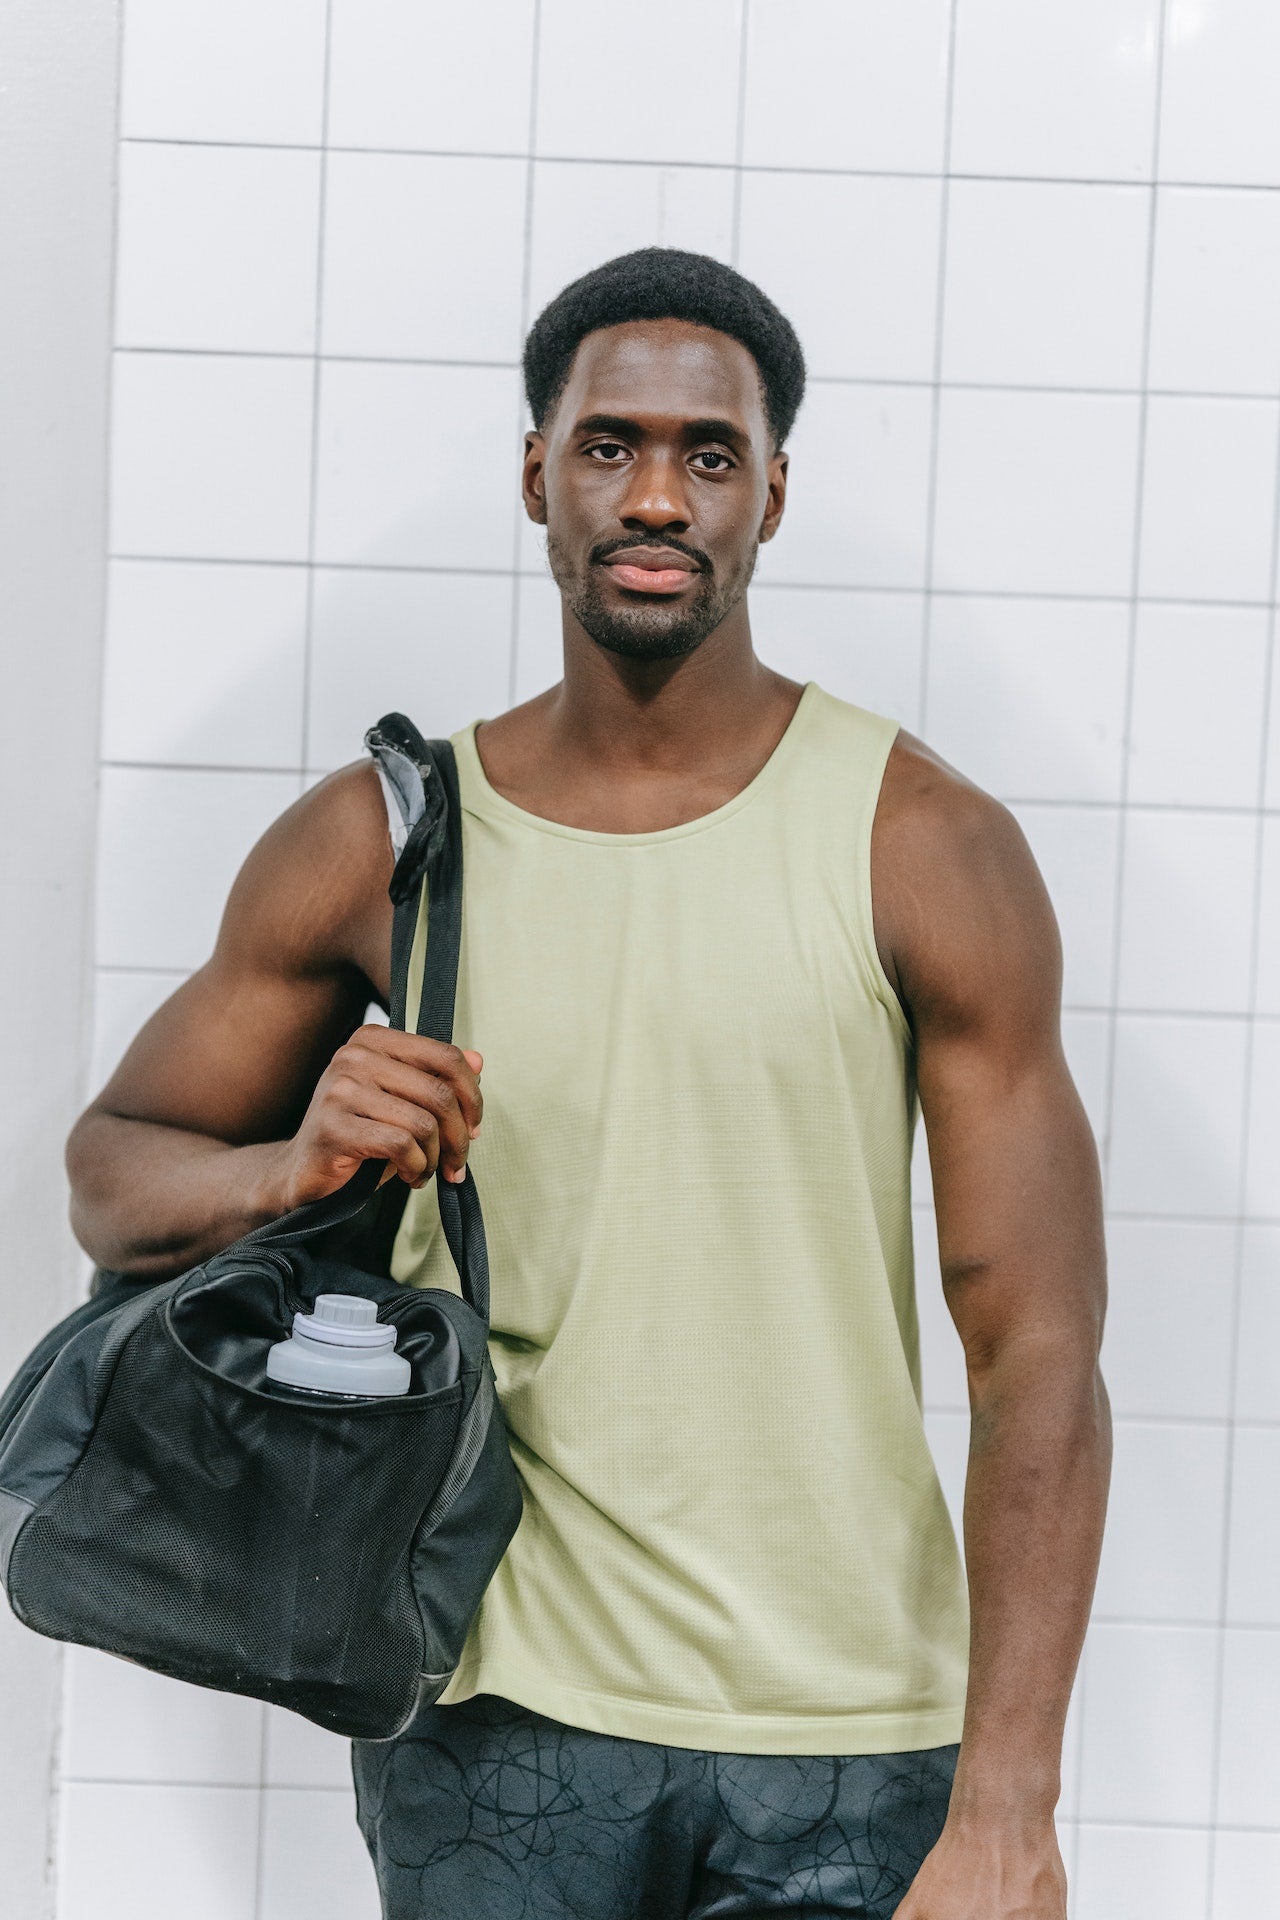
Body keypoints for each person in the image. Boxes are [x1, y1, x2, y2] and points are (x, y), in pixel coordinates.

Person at [67, 248, 1110, 1919]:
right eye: (608, 444)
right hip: (489, 1713)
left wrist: (1010, 1806)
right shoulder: (386, 846)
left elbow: (1037, 1352)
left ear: (771, 497)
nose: (655, 495)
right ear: (536, 477)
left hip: (848, 1734)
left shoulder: (925, 847)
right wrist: (291, 1166)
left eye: (708, 456)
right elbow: (114, 1172)